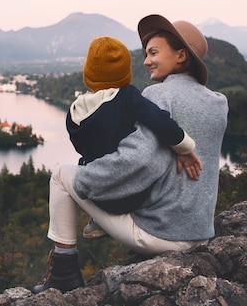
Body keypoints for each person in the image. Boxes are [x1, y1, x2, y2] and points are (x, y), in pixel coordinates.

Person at [32, 15, 229, 294]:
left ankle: (63, 276)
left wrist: (85, 182)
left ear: (181, 56)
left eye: (153, 52)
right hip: (200, 232)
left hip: (160, 234)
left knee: (63, 174)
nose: (147, 60)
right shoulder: (219, 103)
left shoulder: (159, 96)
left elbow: (138, 162)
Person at [66, 36, 202, 238]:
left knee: (78, 166)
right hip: (133, 196)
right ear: (124, 72)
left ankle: (93, 225)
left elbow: (81, 148)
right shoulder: (127, 97)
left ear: (88, 73)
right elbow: (159, 121)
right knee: (156, 152)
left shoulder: (74, 112)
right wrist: (183, 147)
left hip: (99, 194)